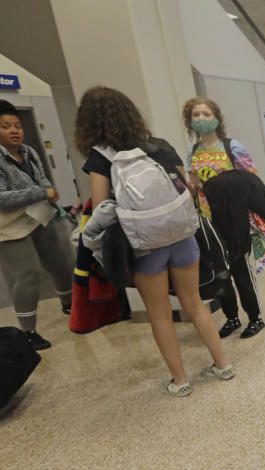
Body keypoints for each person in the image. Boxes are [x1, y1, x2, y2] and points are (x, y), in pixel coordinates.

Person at [77, 86, 234, 397]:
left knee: (159, 312)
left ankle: (180, 381)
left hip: (145, 246)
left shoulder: (102, 156)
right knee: (195, 303)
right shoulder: (159, 146)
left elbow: (101, 210)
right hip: (182, 237)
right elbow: (188, 188)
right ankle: (222, 364)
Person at [182, 97, 265, 339]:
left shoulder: (232, 147)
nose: (201, 119)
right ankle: (231, 317)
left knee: (240, 268)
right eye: (196, 115)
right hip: (209, 219)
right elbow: (194, 185)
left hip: (235, 217)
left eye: (206, 114)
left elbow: (250, 179)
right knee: (220, 270)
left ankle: (255, 317)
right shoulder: (193, 152)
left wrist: (225, 176)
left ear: (216, 118)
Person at [0, 100, 75, 350]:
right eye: (5, 126)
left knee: (60, 261)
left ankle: (70, 305)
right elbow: (2, 198)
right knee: (27, 275)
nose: (14, 131)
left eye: (17, 126)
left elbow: (42, 178)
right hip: (9, 226)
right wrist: (41, 192)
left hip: (39, 216)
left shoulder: (28, 152)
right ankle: (28, 332)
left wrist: (45, 191)